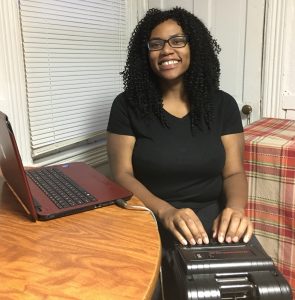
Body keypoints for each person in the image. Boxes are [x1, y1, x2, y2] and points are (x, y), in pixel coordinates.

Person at [107, 7, 253, 299]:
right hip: (147, 217)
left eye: (177, 41)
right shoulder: (126, 106)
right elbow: (121, 174)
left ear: (193, 46)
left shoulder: (223, 105)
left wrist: (235, 209)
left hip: (209, 220)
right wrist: (165, 211)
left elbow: (234, 171)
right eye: (156, 44)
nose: (166, 50)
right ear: (145, 53)